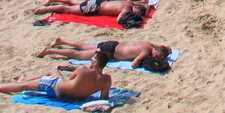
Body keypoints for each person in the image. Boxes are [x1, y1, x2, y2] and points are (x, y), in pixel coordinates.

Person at [0, 51, 112, 100]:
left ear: (95, 63)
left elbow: (70, 79)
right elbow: (104, 98)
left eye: (91, 60)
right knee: (53, 71)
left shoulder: (83, 69)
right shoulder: (106, 80)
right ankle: (26, 78)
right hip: (71, 94)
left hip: (55, 87)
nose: (90, 61)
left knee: (24, 86)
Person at [35, 38, 172, 71]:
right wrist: (144, 62)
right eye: (157, 56)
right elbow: (134, 64)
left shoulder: (149, 44)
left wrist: (167, 52)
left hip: (112, 44)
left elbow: (168, 49)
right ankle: (49, 51)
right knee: (77, 55)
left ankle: (61, 41)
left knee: (83, 46)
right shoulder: (146, 52)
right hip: (110, 52)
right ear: (156, 51)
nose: (155, 58)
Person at [34, 0, 150, 28]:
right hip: (94, 7)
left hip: (97, 1)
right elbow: (119, 20)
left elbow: (146, 5)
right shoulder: (126, 9)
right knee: (67, 9)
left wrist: (144, 12)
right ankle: (45, 9)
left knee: (74, 2)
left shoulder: (129, 2)